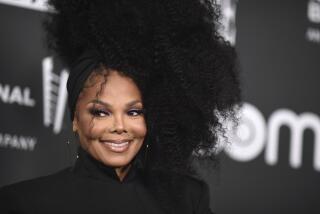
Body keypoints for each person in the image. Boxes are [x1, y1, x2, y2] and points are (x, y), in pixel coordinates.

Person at [0, 0, 241, 213]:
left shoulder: (187, 200)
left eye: (134, 112)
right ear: (74, 118)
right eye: (100, 112)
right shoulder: (23, 203)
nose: (119, 126)